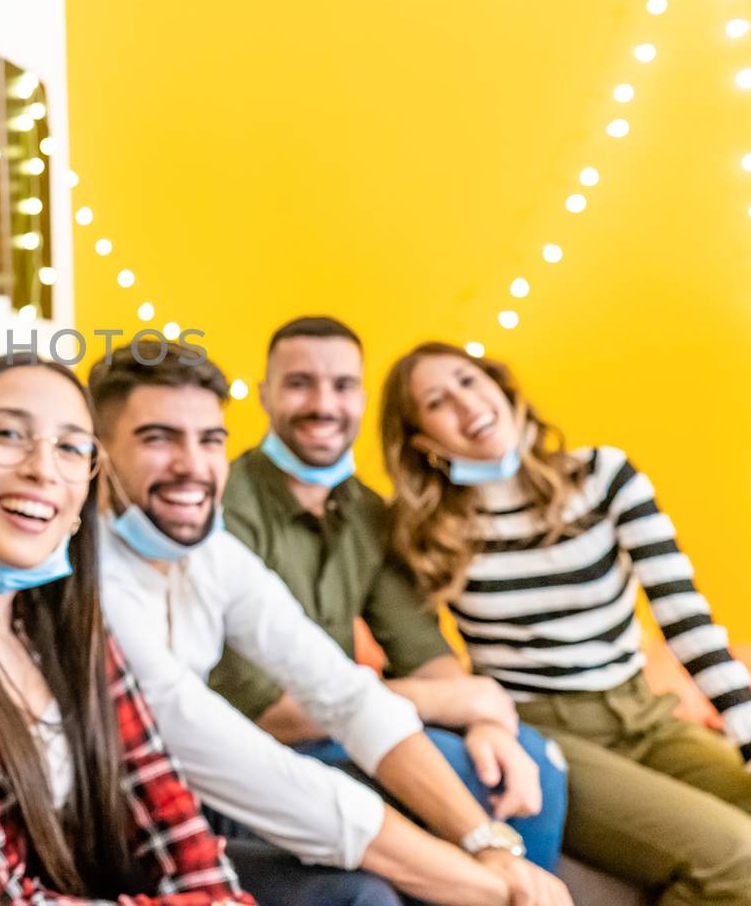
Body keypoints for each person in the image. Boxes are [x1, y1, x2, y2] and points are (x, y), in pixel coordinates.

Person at [92, 339, 573, 906]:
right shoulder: (92, 582)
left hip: (199, 789)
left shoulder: (212, 551)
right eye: (158, 439)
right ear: (96, 455)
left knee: (516, 780)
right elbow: (221, 743)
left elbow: (342, 692)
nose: (192, 466)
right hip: (125, 824)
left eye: (209, 440)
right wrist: (485, 884)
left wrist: (488, 843)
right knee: (362, 897)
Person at [381, 340, 751, 905]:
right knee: (745, 861)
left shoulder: (603, 475)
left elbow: (687, 620)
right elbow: (419, 653)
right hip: (549, 731)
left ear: (499, 384)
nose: (467, 406)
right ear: (422, 441)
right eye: (438, 401)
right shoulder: (425, 529)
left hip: (647, 715)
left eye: (469, 381)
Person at [0, 353, 251, 905]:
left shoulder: (65, 628)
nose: (43, 468)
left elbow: (172, 816)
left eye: (70, 446)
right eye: (8, 434)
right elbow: (0, 897)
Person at [209, 317, 567, 873]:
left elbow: (426, 653)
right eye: (300, 383)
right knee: (478, 775)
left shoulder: (367, 513)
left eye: (343, 386)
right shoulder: (221, 507)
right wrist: (450, 702)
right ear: (265, 396)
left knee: (528, 760)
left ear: (362, 398)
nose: (324, 404)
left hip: (346, 728)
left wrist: (487, 721)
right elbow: (261, 710)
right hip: (260, 748)